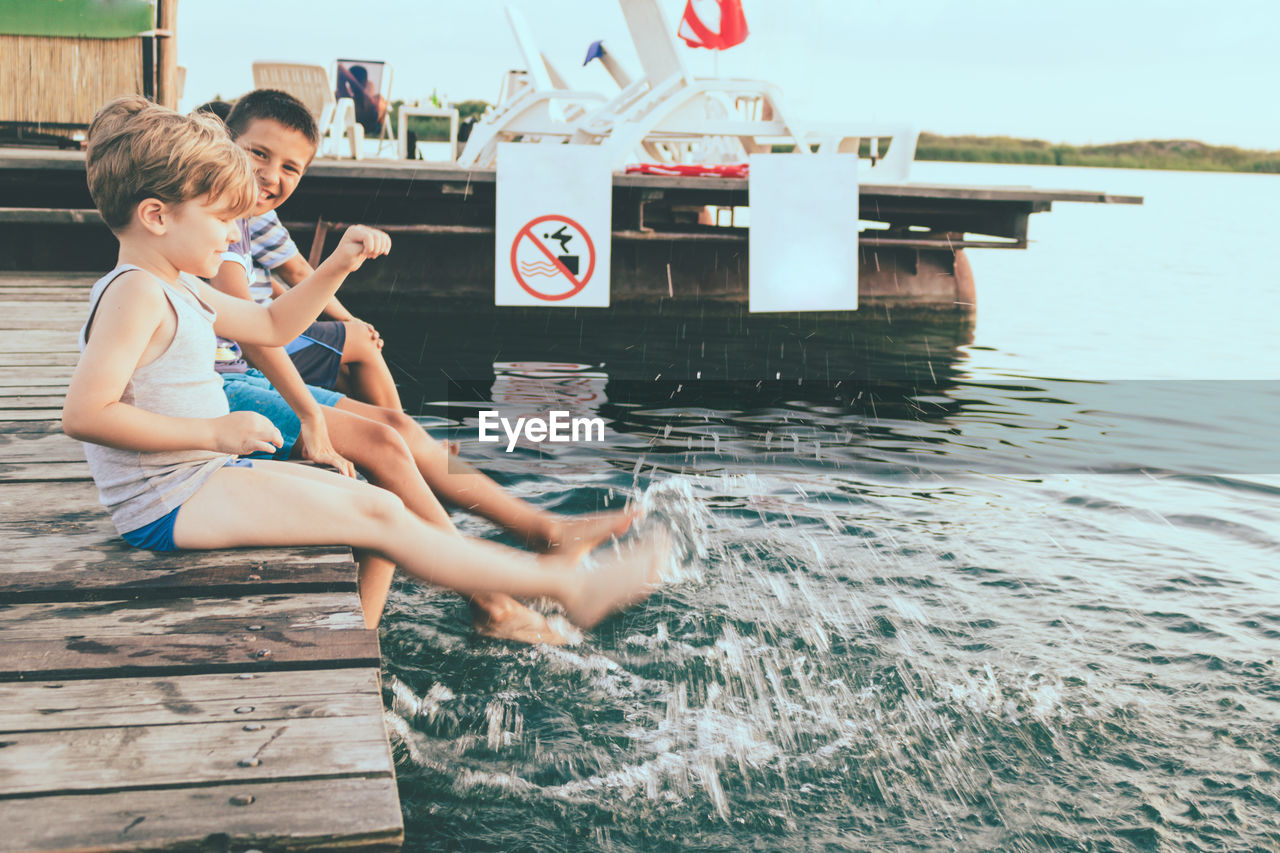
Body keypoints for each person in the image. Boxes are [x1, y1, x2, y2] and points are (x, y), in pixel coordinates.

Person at [62, 96, 664, 638]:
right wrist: (212, 432)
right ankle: (564, 589)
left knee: (379, 501)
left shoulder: (180, 286)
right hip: (170, 501)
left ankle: (362, 641)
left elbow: (271, 326)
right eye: (220, 219)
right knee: (377, 515)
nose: (230, 236)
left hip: (201, 476)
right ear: (157, 216)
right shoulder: (136, 293)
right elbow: (86, 414)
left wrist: (339, 266)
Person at [210, 90, 636, 641]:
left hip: (243, 374)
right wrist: (313, 419)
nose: (270, 174)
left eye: (289, 166)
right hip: (221, 390)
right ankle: (490, 599)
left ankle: (541, 529)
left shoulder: (250, 219)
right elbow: (254, 333)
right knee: (387, 448)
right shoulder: (216, 224)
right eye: (258, 155)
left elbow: (290, 284)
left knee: (402, 431)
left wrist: (353, 321)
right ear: (225, 145)